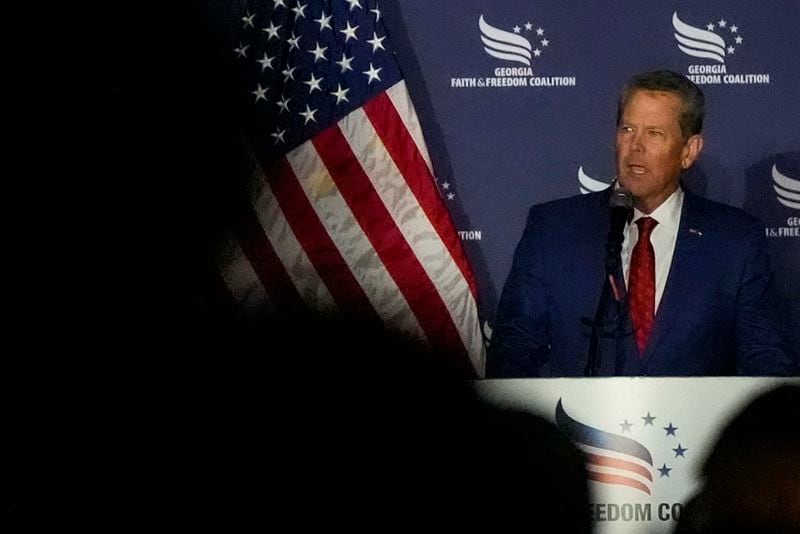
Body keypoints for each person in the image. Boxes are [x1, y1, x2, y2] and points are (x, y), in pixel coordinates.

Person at [487, 70, 795, 377]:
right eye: (628, 129)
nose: (636, 146)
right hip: (575, 423)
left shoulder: (735, 240)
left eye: (654, 133)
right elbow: (514, 349)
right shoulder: (554, 229)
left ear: (688, 151)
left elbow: (765, 357)